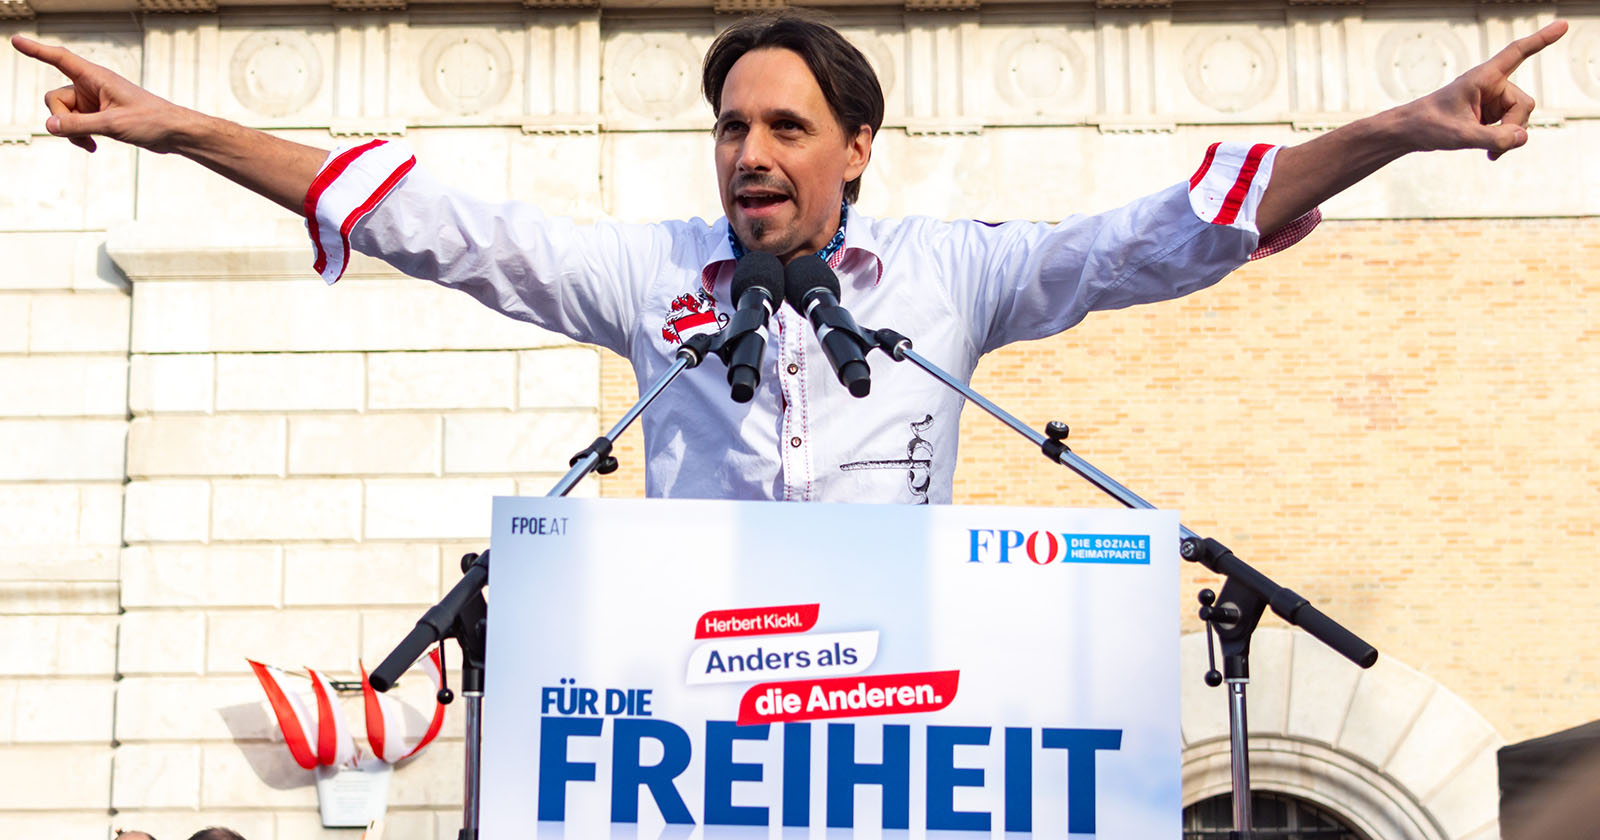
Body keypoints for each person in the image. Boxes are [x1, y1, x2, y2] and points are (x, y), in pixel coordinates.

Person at [8, 12, 1566, 503]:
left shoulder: (953, 275)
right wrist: (178, 129)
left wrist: (1404, 127)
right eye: (730, 127)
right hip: (691, 722)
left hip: (904, 728)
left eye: (784, 127)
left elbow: (1165, 232)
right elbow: (425, 215)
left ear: (855, 148)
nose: (748, 153)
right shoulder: (649, 277)